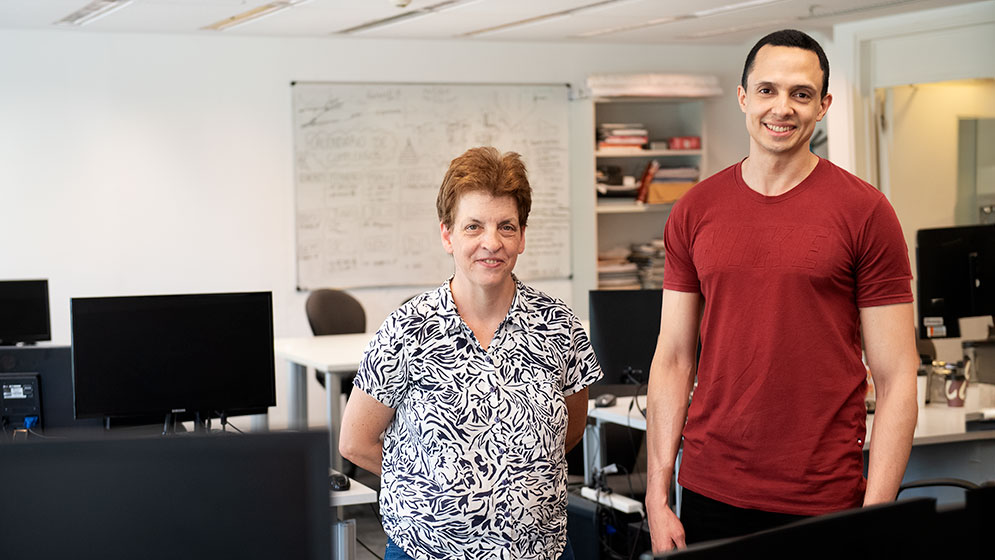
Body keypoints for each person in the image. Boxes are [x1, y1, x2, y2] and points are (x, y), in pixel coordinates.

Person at [645, 29, 919, 552]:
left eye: (801, 94)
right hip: (709, 489)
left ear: (823, 106)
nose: (782, 108)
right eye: (767, 90)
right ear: (744, 97)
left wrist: (876, 516)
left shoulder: (866, 212)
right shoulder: (695, 210)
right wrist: (657, 497)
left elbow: (898, 375)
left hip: (823, 495)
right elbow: (674, 358)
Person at [339, 146, 602, 560]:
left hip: (539, 551)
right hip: (427, 551)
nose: (491, 243)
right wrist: (433, 486)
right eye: (473, 227)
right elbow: (355, 442)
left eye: (506, 227)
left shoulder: (560, 326)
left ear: (522, 236)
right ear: (447, 234)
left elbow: (570, 431)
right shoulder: (406, 329)